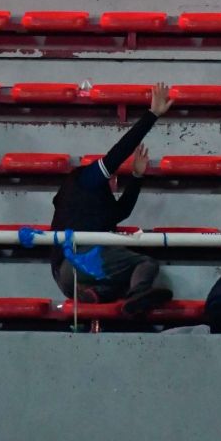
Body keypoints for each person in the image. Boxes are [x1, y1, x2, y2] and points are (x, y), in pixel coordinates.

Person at [49, 83, 174, 315]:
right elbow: (118, 153)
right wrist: (153, 115)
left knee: (118, 283)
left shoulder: (86, 201)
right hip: (79, 258)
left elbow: (121, 212)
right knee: (145, 264)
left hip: (64, 274)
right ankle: (138, 296)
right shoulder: (85, 179)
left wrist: (137, 176)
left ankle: (94, 294)